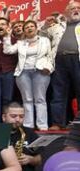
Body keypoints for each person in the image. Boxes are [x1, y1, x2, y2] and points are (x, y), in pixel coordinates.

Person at [3, 20, 53, 131]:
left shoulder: (45, 41)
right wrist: (7, 36)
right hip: (23, 73)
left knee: (40, 99)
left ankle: (42, 126)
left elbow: (50, 56)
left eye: (32, 26)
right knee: (27, 100)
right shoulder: (21, 42)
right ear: (24, 31)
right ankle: (28, 126)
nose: (29, 28)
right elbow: (7, 50)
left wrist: (49, 68)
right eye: (27, 27)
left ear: (36, 28)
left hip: (40, 71)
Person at [2, 102, 42, 171]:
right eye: (13, 116)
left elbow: (39, 159)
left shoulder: (30, 133)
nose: (17, 120)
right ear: (4, 117)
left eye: (21, 116)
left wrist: (30, 159)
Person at [50, 1, 80, 131]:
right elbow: (41, 35)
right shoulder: (58, 26)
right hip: (60, 59)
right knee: (59, 92)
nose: (76, 10)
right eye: (73, 8)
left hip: (77, 59)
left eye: (78, 8)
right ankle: (58, 123)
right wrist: (46, 24)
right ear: (67, 11)